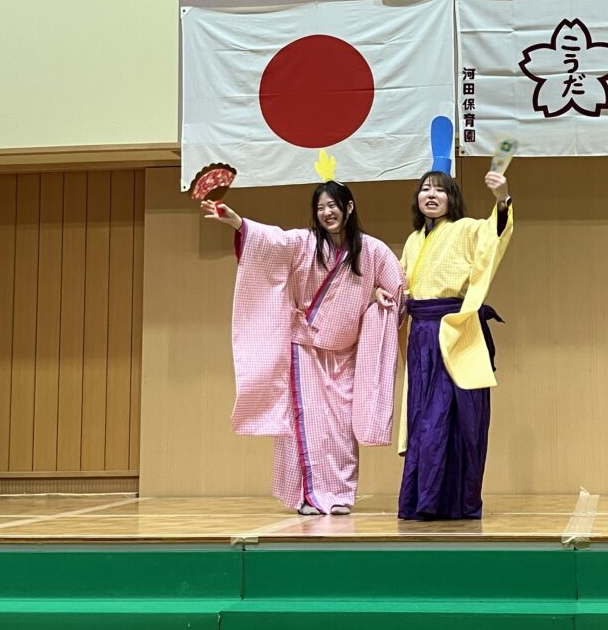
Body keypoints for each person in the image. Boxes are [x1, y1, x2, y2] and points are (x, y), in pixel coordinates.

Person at [201, 176, 405, 515]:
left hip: (346, 352)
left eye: (333, 205)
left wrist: (378, 295)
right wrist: (236, 222)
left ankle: (340, 494)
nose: (327, 213)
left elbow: (397, 287)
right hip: (306, 347)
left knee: (341, 429)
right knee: (306, 423)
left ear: (349, 207)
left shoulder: (372, 250)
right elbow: (272, 242)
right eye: (320, 207)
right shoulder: (305, 243)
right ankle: (307, 497)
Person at [397, 168, 513, 520]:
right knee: (424, 417)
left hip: (454, 333)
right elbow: (400, 284)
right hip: (421, 338)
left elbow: (494, 233)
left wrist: (502, 199)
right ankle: (423, 499)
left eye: (440, 190)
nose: (431, 195)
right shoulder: (413, 240)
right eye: (425, 189)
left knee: (455, 418)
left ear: (452, 198)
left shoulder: (464, 229)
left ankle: (455, 501)